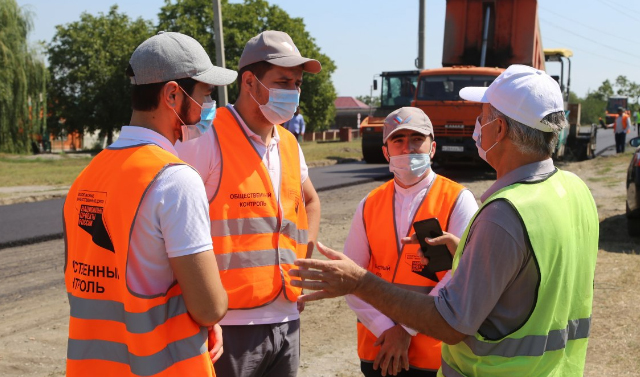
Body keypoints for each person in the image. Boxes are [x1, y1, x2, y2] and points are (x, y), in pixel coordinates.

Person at [290, 64, 599, 377]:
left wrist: (359, 282)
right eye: (398, 141)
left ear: (500, 129)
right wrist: (466, 255)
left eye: (482, 116)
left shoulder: (504, 212)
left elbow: (452, 323)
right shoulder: (577, 191)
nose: (477, 125)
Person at [62, 31, 236, 376]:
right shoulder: (175, 179)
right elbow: (210, 307)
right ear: (173, 94)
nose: (209, 106)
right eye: (206, 93)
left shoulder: (88, 176)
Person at [174, 30, 322, 377]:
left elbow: (310, 202)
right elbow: (173, 223)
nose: (293, 91)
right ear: (250, 82)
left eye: (298, 83)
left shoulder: (288, 142)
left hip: (286, 317)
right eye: (283, 81)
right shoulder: (205, 139)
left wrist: (304, 266)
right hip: (228, 325)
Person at [344, 107, 478, 377]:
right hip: (378, 349)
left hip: (434, 354)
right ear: (386, 152)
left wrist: (405, 330)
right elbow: (351, 277)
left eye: (417, 139)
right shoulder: (369, 204)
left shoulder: (458, 200)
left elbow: (461, 275)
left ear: (432, 148)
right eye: (398, 139)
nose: (407, 148)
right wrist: (386, 330)